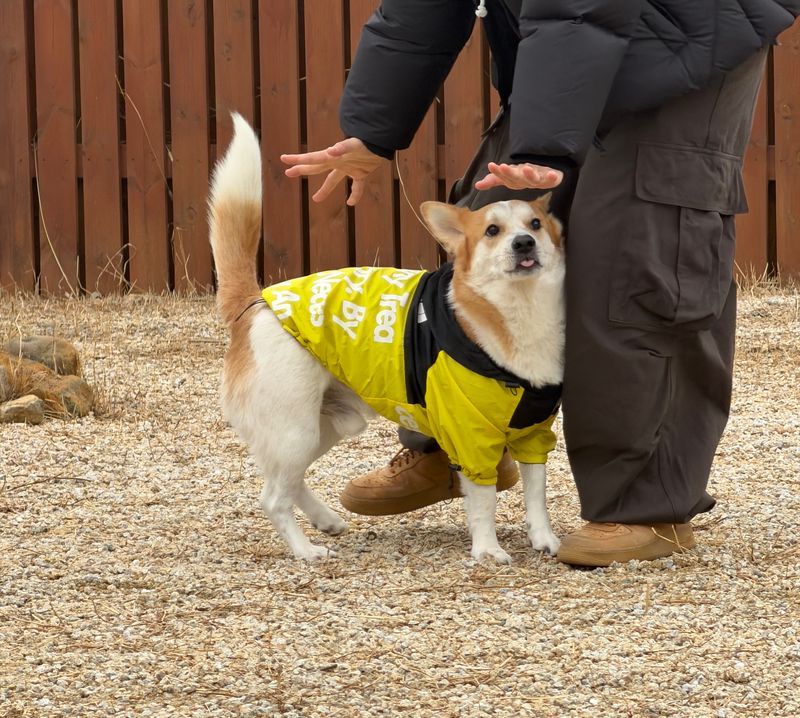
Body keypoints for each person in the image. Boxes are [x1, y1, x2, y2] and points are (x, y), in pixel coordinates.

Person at [281, 0, 800, 566]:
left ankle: (645, 503)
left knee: (642, 255)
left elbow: (579, 6)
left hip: (691, 33)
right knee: (492, 229)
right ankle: (461, 443)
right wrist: (373, 128)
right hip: (559, 42)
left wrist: (543, 145)